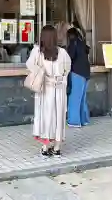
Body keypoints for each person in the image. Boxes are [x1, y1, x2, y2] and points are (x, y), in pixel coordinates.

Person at [27, 25, 71, 157]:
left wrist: (40, 72)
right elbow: (67, 68)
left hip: (44, 90)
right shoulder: (62, 52)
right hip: (59, 89)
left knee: (45, 117)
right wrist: (61, 78)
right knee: (58, 117)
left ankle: (45, 147)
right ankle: (57, 148)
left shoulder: (37, 51)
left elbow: (29, 65)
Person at [66, 27, 91, 127]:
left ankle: (74, 121)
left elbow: (70, 57)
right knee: (82, 98)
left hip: (77, 72)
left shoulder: (73, 43)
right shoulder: (83, 43)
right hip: (86, 73)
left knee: (75, 97)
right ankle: (84, 119)